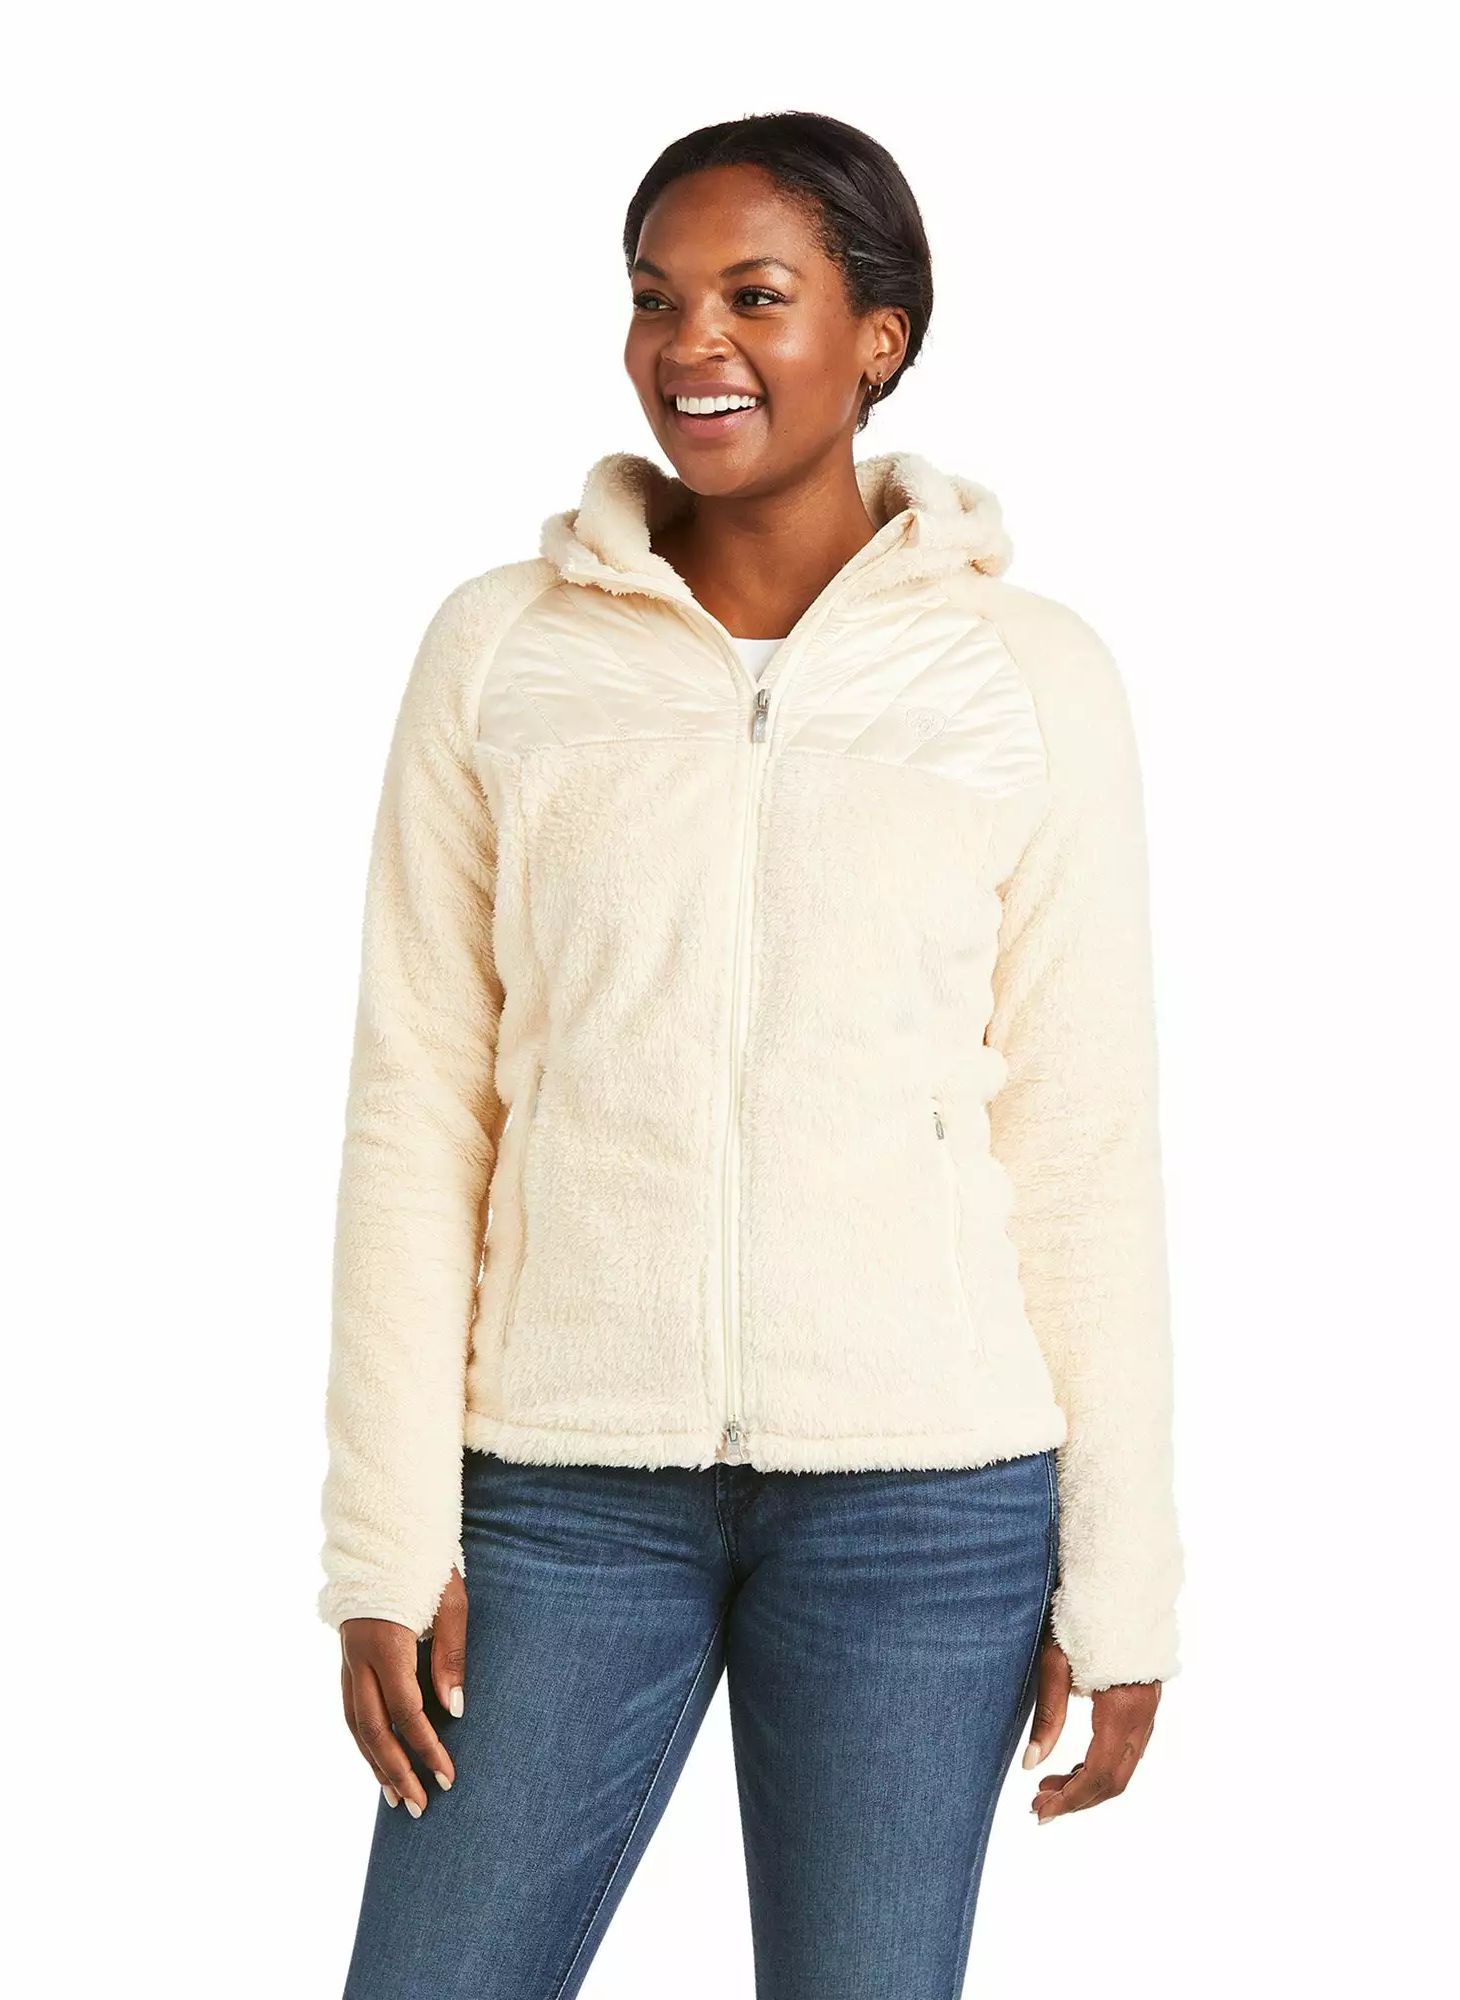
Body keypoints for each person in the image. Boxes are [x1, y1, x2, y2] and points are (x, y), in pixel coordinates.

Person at [317, 109, 1185, 2000]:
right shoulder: (504, 651)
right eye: (656, 298)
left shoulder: (1026, 675)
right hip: (560, 1482)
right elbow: (418, 1101)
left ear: (878, 335)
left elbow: (1083, 1135)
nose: (691, 342)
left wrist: (1122, 1578)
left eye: (754, 296)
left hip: (926, 1498)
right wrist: (383, 1534)